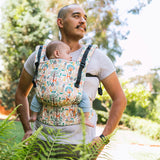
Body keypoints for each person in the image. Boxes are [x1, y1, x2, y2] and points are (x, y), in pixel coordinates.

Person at [15, 3, 127, 159]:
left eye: (85, 18)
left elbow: (120, 99)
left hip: (81, 147)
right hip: (40, 144)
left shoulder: (98, 57)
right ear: (60, 22)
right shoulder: (38, 55)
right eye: (76, 16)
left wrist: (103, 139)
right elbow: (20, 94)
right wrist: (28, 129)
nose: (83, 21)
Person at [29, 40, 94, 128]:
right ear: (57, 53)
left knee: (36, 97)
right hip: (68, 95)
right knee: (84, 96)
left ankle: (34, 115)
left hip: (45, 94)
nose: (70, 57)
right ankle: (86, 118)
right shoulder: (69, 65)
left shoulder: (42, 65)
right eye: (67, 53)